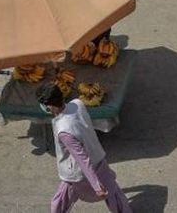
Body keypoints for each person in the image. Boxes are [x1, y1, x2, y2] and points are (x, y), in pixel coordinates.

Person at [36, 84, 132, 213]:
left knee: (60, 202)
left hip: (76, 173)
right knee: (114, 195)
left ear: (48, 106)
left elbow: (82, 159)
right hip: (98, 158)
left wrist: (96, 186)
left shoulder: (64, 130)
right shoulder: (77, 104)